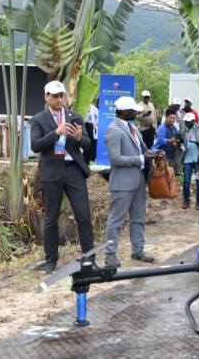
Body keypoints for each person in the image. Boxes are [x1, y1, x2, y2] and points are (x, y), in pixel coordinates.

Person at [30, 81, 95, 274]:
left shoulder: (75, 116)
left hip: (74, 171)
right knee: (50, 218)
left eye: (61, 96)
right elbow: (35, 145)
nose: (59, 99)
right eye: (55, 96)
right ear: (46, 97)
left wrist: (78, 138)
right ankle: (51, 261)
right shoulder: (38, 119)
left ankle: (89, 259)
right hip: (52, 172)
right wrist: (55, 133)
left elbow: (87, 144)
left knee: (83, 214)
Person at [103, 96, 163, 267]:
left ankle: (138, 250)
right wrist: (140, 159)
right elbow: (116, 159)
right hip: (122, 183)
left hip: (137, 180)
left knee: (138, 217)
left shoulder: (133, 128)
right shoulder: (113, 131)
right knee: (116, 220)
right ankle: (110, 255)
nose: (136, 112)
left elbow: (143, 150)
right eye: (133, 110)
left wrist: (154, 154)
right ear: (124, 111)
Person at [181, 112, 199, 210]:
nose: (187, 123)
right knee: (186, 181)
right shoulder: (183, 131)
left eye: (189, 122)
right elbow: (181, 143)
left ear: (193, 121)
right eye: (186, 122)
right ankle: (186, 200)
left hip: (198, 160)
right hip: (187, 159)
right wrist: (180, 145)